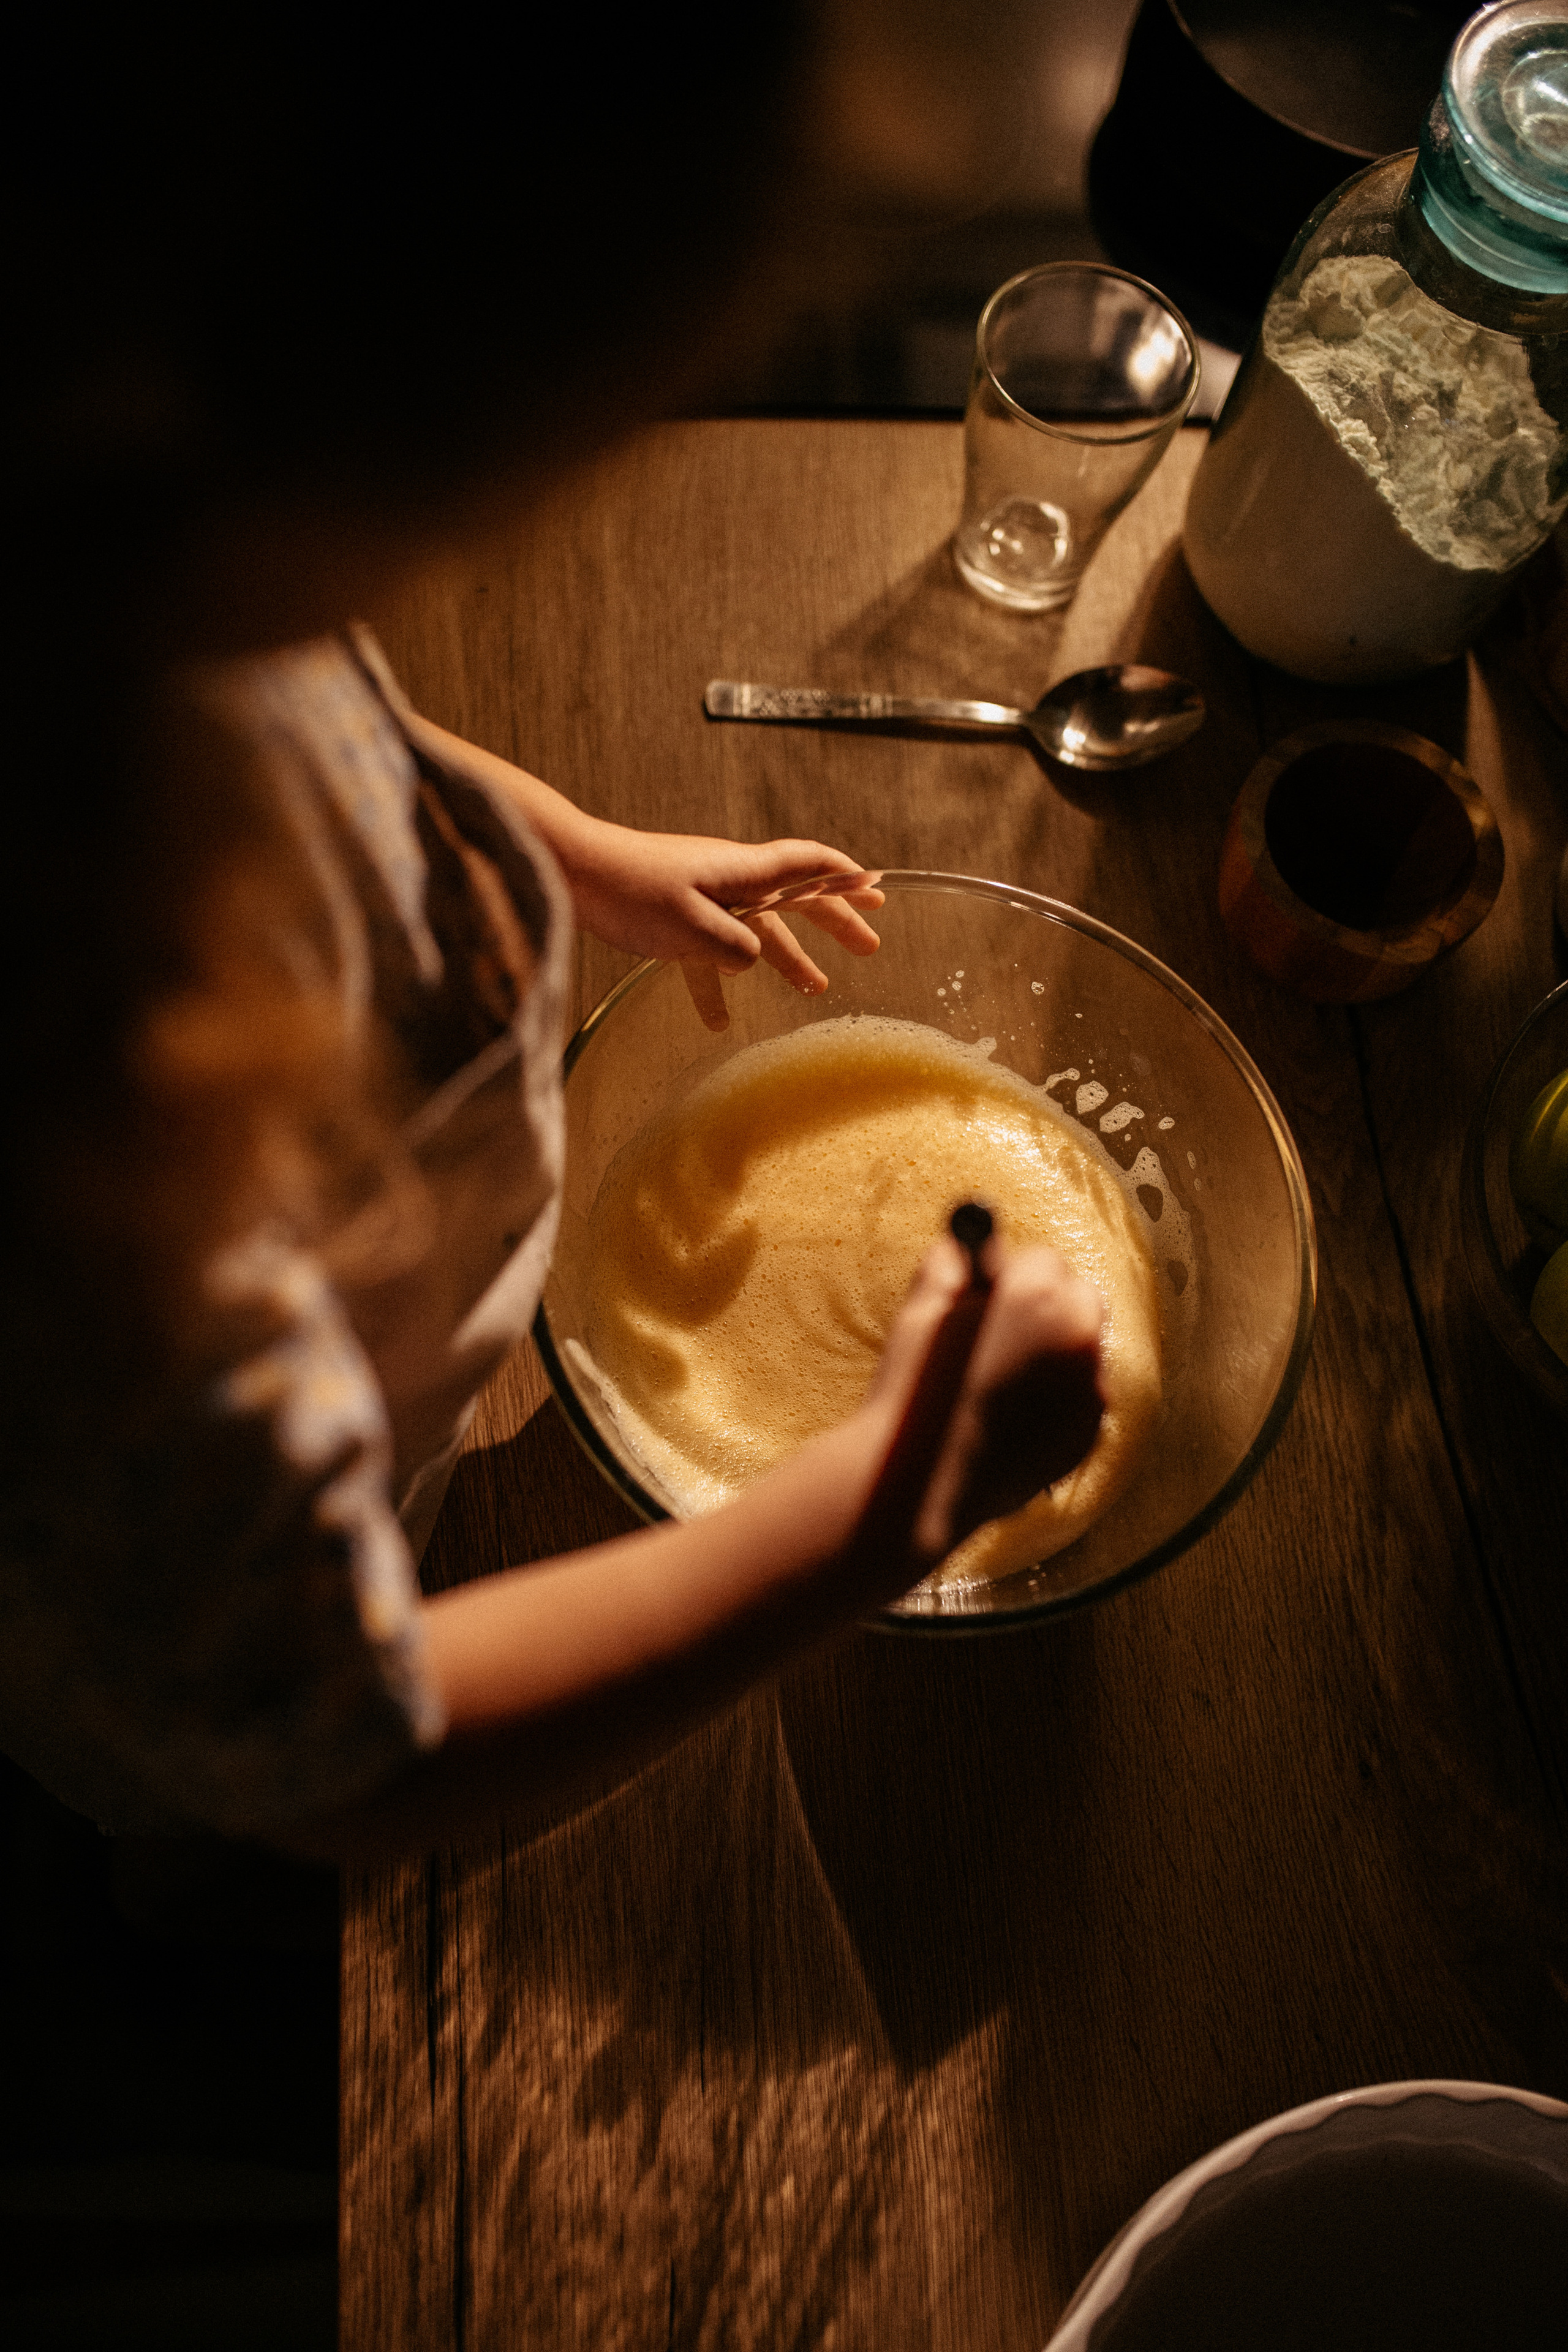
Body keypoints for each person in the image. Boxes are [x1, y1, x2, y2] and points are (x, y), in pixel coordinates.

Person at [2, 11, 1106, 1865]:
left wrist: (555, 841)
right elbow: (350, 1753)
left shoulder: (96, 553)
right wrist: (886, 1503)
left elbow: (297, 702)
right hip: (230, 1701)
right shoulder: (98, 1251)